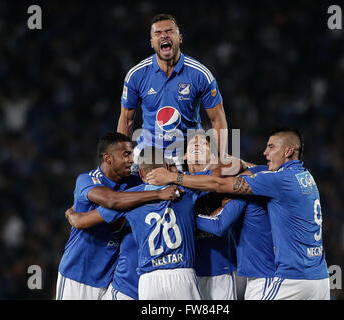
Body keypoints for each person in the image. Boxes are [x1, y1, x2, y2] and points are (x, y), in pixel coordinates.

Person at [147, 127, 331, 300]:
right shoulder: (302, 176)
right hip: (316, 275)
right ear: (184, 156)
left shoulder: (261, 180)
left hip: (270, 275)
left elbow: (220, 210)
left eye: (271, 147)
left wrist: (180, 212)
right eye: (192, 145)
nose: (265, 152)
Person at [63, 147, 204, 300]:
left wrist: (70, 213)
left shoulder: (129, 199)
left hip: (149, 280)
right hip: (182, 274)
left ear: (141, 173)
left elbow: (81, 221)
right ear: (168, 167)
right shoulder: (186, 190)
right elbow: (216, 182)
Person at [117, 13, 228, 168]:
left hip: (188, 155)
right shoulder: (136, 75)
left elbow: (217, 118)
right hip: (149, 156)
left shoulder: (200, 74)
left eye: (169, 31)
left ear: (180, 38)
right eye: (158, 33)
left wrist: (219, 159)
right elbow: (126, 120)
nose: (164, 36)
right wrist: (123, 158)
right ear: (151, 42)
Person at [195, 164, 276, 300]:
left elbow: (219, 225)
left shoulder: (241, 183)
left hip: (249, 271)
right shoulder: (180, 181)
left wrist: (186, 219)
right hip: (253, 272)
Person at [185, 132, 238, 300]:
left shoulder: (224, 181)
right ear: (185, 155)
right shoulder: (174, 185)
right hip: (186, 273)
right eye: (192, 143)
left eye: (204, 144)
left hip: (220, 270)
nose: (197, 145)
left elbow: (221, 225)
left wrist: (186, 220)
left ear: (213, 156)